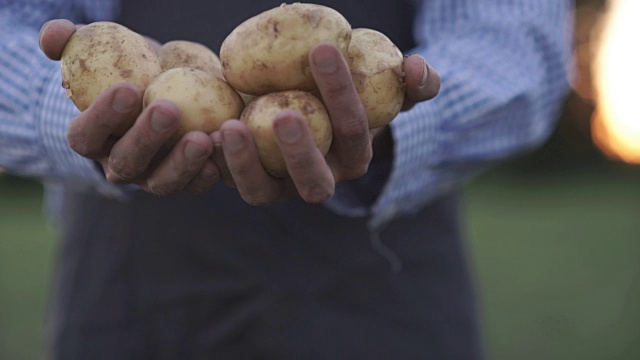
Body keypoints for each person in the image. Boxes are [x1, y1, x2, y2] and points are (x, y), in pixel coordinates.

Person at [0, 0, 573, 359]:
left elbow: (517, 44)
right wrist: (86, 120)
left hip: (384, 304)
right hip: (129, 297)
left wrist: (393, 123)